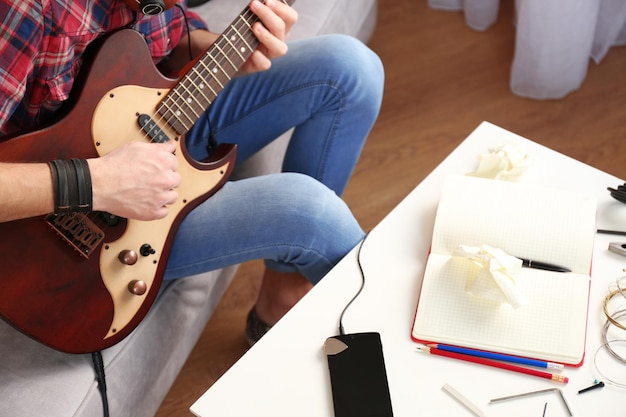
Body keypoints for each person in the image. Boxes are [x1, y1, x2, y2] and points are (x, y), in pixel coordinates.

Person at [0, 0, 384, 345]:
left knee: (350, 68)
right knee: (311, 213)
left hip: (153, 123)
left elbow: (165, 38)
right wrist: (98, 182)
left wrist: (225, 50)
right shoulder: (25, 9)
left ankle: (280, 299)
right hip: (64, 229)